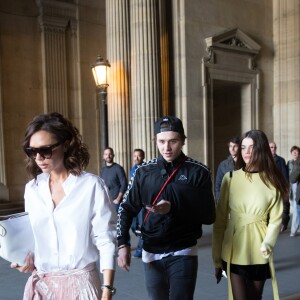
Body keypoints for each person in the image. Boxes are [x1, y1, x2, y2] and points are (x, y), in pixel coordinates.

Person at [12, 112, 117, 299]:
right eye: (32, 151)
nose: (38, 157)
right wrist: (24, 260)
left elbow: (106, 238)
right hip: (42, 286)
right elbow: (34, 239)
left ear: (65, 145)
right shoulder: (32, 189)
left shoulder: (91, 186)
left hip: (82, 285)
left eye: (45, 150)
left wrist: (107, 289)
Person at [117, 116, 216, 300]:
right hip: (151, 250)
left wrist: (175, 207)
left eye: (173, 141)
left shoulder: (198, 172)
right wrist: (123, 243)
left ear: (183, 141)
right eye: (162, 142)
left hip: (183, 250)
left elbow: (209, 215)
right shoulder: (143, 171)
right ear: (155, 141)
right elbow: (127, 207)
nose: (167, 148)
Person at [212, 130, 289, 300]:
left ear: (261, 150)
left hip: (259, 250)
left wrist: (267, 244)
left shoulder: (272, 182)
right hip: (233, 249)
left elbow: (275, 221)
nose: (246, 152)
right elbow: (220, 222)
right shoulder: (230, 178)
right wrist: (217, 258)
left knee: (255, 297)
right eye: (243, 148)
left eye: (252, 148)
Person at [269, 142, 290, 232]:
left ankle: (283, 223)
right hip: (268, 188)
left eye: (274, 147)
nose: (273, 149)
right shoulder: (264, 160)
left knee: (284, 205)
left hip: (279, 187)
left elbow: (284, 175)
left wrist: (285, 188)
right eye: (271, 147)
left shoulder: (281, 160)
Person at [129, 148, 145, 258]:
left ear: (143, 157)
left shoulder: (146, 168)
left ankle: (140, 250)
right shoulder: (132, 169)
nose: (136, 158)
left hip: (142, 203)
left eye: (139, 156)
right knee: (133, 225)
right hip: (134, 202)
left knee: (141, 226)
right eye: (135, 156)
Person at [100, 147, 127, 212]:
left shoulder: (118, 168)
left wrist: (118, 199)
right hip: (105, 202)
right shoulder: (103, 170)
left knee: (116, 222)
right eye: (106, 154)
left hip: (115, 202)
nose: (108, 156)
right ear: (103, 156)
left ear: (113, 155)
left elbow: (124, 184)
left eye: (110, 154)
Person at [215, 136, 240, 201]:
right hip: (227, 200)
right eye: (230, 146)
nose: (232, 149)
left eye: (235, 146)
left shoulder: (245, 163)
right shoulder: (223, 165)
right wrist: (219, 200)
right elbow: (218, 185)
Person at [287, 146, 300, 236]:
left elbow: (293, 178)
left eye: (297, 152)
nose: (295, 153)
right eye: (293, 152)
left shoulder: (298, 163)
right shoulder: (289, 163)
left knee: (296, 209)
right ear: (291, 153)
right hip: (291, 188)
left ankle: (293, 230)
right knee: (296, 208)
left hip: (297, 187)